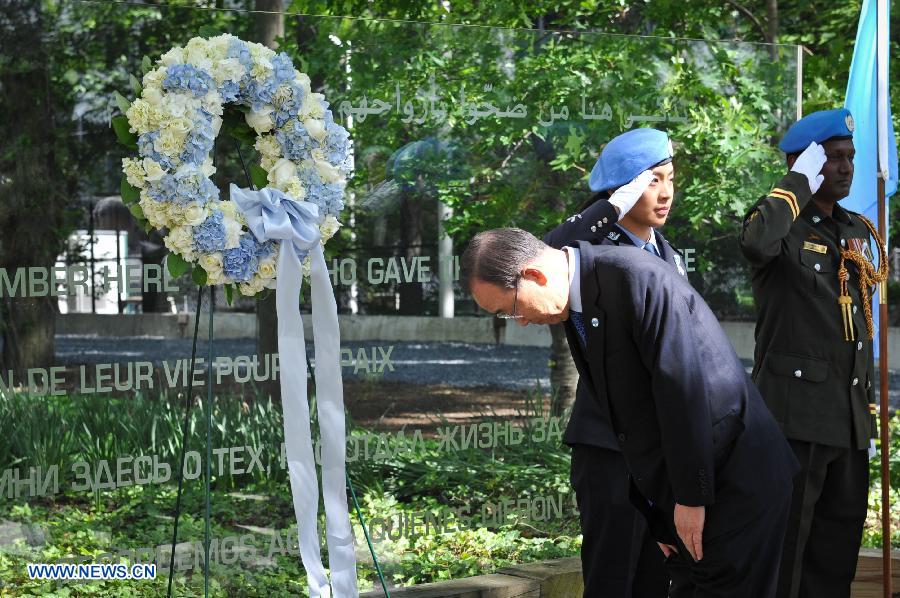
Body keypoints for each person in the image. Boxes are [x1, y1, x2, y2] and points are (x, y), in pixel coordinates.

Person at [461, 228, 799, 598]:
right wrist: (660, 519)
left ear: (534, 276)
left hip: (735, 481)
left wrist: (689, 500)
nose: (521, 321)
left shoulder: (635, 277)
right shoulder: (580, 300)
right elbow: (629, 422)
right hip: (693, 494)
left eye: (509, 310)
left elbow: (683, 392)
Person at [739, 108, 888, 598]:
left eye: (850, 157)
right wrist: (795, 182)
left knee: (835, 552)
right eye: (832, 157)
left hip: (847, 420)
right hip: (794, 420)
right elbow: (757, 243)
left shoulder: (854, 229)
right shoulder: (780, 225)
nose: (845, 166)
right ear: (803, 163)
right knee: (788, 553)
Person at [542, 127, 683, 597]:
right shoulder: (590, 250)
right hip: (609, 447)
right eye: (651, 182)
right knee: (612, 579)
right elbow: (543, 254)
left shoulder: (669, 256)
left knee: (654, 580)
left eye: (669, 178)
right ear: (622, 191)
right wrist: (610, 208)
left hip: (662, 447)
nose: (664, 193)